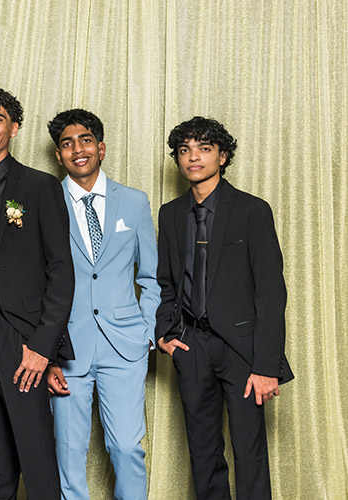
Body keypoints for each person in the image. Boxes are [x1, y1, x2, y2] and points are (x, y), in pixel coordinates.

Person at [155, 116, 293, 499]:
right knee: (202, 452)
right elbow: (165, 282)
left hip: (243, 352)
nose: (193, 157)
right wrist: (166, 333)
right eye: (184, 150)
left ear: (223, 156)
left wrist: (266, 366)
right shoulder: (170, 214)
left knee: (249, 452)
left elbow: (270, 292)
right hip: (191, 346)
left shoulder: (252, 210)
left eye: (204, 148)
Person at [0, 87, 74, 500]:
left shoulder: (40, 187)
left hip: (19, 335)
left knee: (35, 453)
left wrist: (43, 347)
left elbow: (61, 272)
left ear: (14, 128)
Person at [44, 109, 160, 500]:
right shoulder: (46, 201)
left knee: (127, 447)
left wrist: (146, 331)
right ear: (59, 155)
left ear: (102, 148)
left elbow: (151, 277)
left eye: (85, 140)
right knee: (68, 452)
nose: (77, 149)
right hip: (66, 349)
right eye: (67, 143)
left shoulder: (135, 201)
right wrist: (47, 350)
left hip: (125, 346)